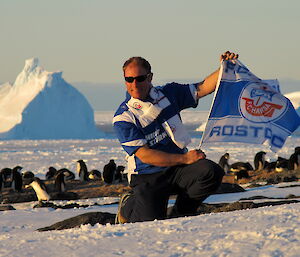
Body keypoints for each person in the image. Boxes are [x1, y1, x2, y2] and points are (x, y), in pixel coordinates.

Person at [113, 51, 239, 223]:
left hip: (177, 169)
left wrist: (225, 68)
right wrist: (185, 158)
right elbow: (145, 155)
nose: (134, 84)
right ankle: (128, 206)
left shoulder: (169, 94)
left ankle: (181, 213)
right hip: (147, 175)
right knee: (149, 222)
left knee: (211, 172)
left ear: (150, 77)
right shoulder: (124, 117)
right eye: (129, 79)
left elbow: (201, 88)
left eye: (140, 78)